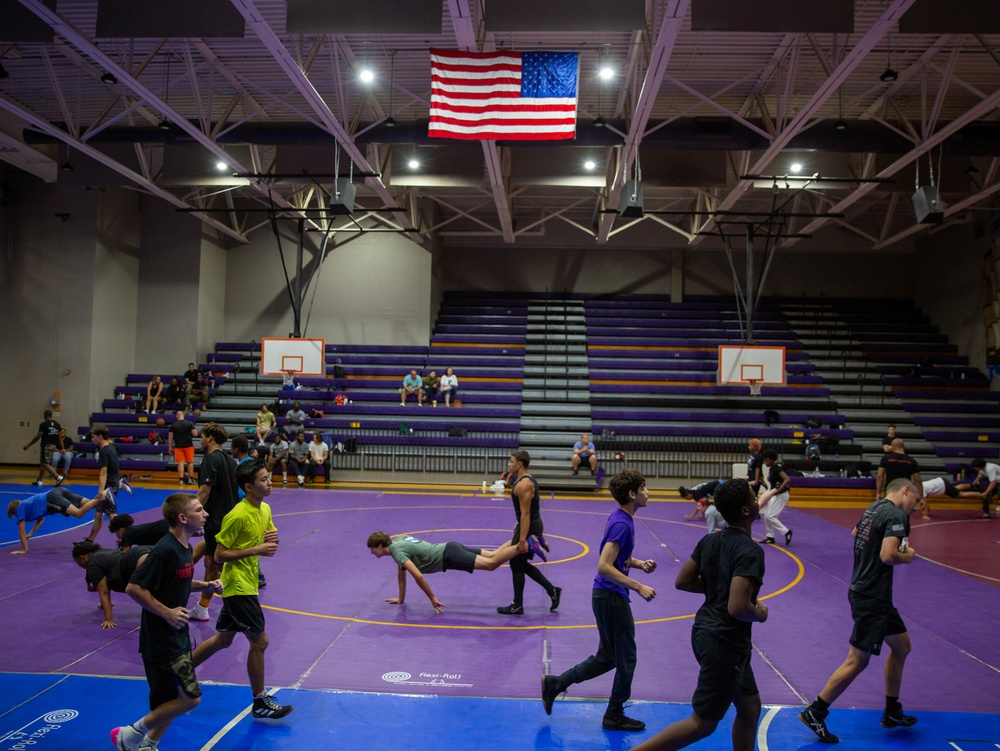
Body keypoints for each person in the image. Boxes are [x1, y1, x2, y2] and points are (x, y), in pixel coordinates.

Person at [628, 479, 767, 751]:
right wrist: (760, 613)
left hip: (710, 633)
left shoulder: (711, 541)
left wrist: (718, 585)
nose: (758, 499)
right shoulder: (751, 551)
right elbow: (738, 607)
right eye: (754, 497)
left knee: (750, 707)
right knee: (702, 723)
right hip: (724, 641)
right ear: (745, 510)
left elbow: (683, 581)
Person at [799, 477, 921, 744]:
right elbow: (888, 556)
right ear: (906, 491)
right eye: (916, 500)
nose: (917, 507)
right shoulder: (897, 515)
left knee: (902, 646)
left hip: (868, 592)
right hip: (872, 597)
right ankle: (816, 711)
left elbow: (855, 533)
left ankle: (891, 710)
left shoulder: (874, 507)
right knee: (858, 660)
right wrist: (908, 556)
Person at [541, 469, 657, 731]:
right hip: (611, 596)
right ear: (632, 494)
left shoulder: (622, 518)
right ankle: (614, 713)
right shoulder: (622, 523)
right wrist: (638, 586)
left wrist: (638, 564)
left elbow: (617, 557)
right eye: (644, 487)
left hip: (605, 596)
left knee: (608, 657)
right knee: (627, 657)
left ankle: (556, 683)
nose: (647, 492)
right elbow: (604, 565)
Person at [112, 493, 222, 751]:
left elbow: (177, 581)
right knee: (190, 699)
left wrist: (205, 586)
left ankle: (148, 744)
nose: (204, 514)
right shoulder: (164, 550)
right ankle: (128, 734)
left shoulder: (184, 548)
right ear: (183, 518)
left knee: (171, 700)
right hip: (160, 639)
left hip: (177, 635)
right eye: (198, 510)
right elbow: (134, 588)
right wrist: (167, 612)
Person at [189, 459, 294, 720]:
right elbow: (219, 555)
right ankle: (259, 700)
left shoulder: (265, 508)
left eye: (269, 478)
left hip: (249, 583)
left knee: (223, 639)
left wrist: (272, 539)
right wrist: (256, 550)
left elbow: (269, 535)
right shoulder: (237, 515)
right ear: (248, 486)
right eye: (263, 480)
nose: (269, 482)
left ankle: (178, 671)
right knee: (261, 641)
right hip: (237, 586)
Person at [367, 530, 528, 613]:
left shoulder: (397, 552)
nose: (372, 553)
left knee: (492, 564)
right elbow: (401, 575)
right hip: (449, 547)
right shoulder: (399, 541)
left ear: (380, 546)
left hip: (449, 556)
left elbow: (418, 576)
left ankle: (522, 546)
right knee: (493, 554)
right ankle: (524, 538)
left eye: (373, 549)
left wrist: (433, 598)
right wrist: (400, 599)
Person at [497, 450, 561, 615]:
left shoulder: (524, 484)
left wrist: (523, 539)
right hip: (533, 525)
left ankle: (518, 604)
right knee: (519, 563)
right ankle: (551, 590)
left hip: (528, 526)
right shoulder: (527, 481)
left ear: (520, 464)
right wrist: (540, 536)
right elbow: (531, 512)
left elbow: (526, 515)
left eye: (511, 462)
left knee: (515, 562)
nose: (509, 465)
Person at [189, 422, 237, 623]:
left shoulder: (210, 459)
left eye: (202, 436)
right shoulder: (231, 461)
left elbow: (205, 491)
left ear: (209, 437)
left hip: (216, 520)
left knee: (213, 564)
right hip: (231, 518)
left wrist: (187, 512)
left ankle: (203, 607)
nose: (200, 440)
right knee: (214, 562)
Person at [7, 487, 112, 555]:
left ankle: (102, 496)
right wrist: (30, 534)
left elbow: (21, 532)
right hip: (58, 491)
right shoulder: (28, 505)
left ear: (14, 510)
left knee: (78, 513)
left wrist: (24, 549)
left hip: (51, 499)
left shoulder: (20, 508)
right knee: (89, 504)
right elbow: (41, 519)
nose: (16, 516)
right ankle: (108, 497)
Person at [72, 540, 151, 629]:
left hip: (134, 563)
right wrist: (103, 604)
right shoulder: (103, 552)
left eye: (76, 562)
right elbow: (104, 583)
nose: (78, 565)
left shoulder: (92, 564)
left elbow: (104, 592)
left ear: (81, 557)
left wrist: (108, 619)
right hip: (142, 551)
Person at [85, 425, 133, 544]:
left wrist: (101, 490)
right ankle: (90, 540)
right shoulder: (112, 447)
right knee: (98, 513)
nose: (92, 439)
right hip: (114, 482)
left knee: (111, 515)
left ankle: (123, 540)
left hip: (108, 487)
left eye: (93, 437)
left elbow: (103, 472)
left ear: (100, 437)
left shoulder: (103, 451)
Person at [877, 439, 927, 519]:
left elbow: (880, 476)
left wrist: (878, 492)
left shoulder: (886, 459)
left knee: (889, 515)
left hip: (891, 491)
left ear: (893, 447)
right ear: (903, 446)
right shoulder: (912, 461)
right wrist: (920, 498)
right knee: (904, 516)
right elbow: (917, 481)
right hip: (906, 492)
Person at [760, 449, 792, 546]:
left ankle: (786, 532)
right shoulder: (772, 469)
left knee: (770, 516)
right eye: (764, 461)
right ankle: (770, 537)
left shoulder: (777, 468)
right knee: (766, 516)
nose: (765, 463)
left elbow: (787, 479)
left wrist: (779, 489)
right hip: (775, 494)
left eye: (766, 460)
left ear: (772, 460)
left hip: (781, 495)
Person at [22, 409, 63, 486]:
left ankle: (57, 477)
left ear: (44, 416)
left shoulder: (44, 424)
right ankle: (40, 480)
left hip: (46, 445)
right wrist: (62, 448)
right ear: (51, 415)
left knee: (45, 464)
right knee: (43, 463)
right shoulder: (57, 424)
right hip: (53, 445)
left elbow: (38, 436)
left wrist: (28, 445)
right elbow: (60, 437)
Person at [167, 410, 198, 486]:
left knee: (180, 463)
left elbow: (170, 438)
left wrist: (170, 447)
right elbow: (195, 434)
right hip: (188, 445)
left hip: (178, 446)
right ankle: (191, 478)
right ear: (183, 416)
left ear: (177, 416)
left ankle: (181, 479)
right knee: (190, 462)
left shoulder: (173, 425)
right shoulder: (189, 423)